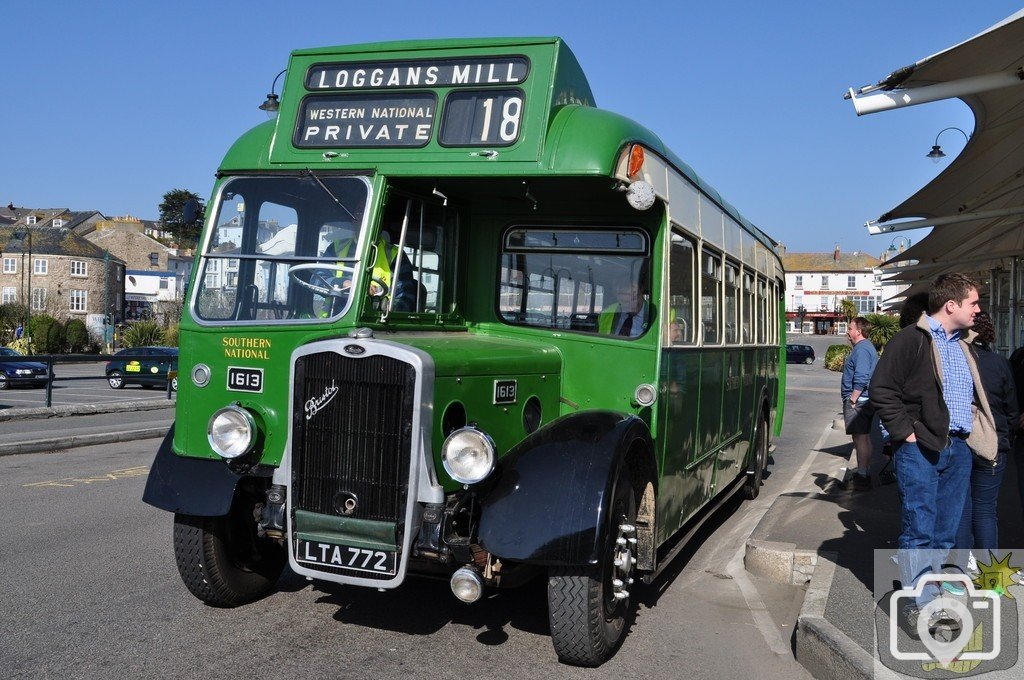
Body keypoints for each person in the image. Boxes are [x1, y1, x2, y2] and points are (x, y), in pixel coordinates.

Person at [869, 273, 997, 636]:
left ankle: (935, 592)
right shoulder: (911, 340)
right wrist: (905, 433)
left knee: (946, 531)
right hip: (920, 448)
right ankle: (921, 603)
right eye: (973, 302)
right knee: (919, 528)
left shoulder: (963, 344)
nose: (979, 309)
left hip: (958, 449)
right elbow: (881, 389)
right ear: (951, 305)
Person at [953, 312, 1018, 570]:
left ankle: (959, 569)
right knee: (985, 510)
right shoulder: (1000, 363)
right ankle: (990, 575)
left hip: (961, 440)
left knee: (960, 507)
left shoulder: (955, 360)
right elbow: (1011, 410)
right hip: (994, 446)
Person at [323, 229, 417, 312]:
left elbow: (406, 297)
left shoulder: (395, 255)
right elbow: (317, 279)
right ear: (353, 218)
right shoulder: (335, 249)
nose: (361, 218)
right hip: (333, 320)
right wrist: (343, 283)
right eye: (359, 213)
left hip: (378, 324)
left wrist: (385, 307)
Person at [841, 317, 878, 491]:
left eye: (850, 328)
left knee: (860, 437)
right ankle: (865, 471)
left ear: (859, 331)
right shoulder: (864, 347)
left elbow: (862, 376)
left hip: (860, 401)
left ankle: (863, 476)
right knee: (863, 436)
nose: (848, 331)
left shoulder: (862, 349)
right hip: (865, 400)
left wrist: (853, 399)